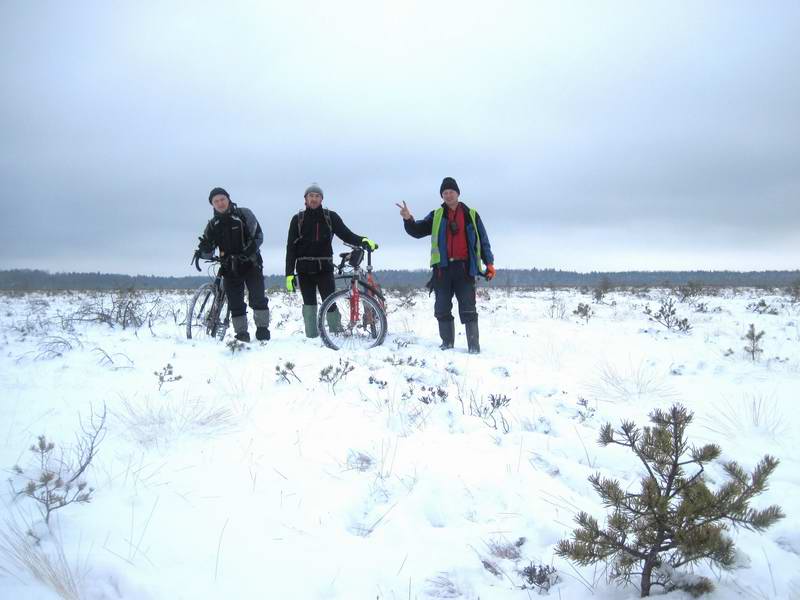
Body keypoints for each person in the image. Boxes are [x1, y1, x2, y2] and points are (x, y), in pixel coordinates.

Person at [397, 177, 495, 353]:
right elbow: (417, 231)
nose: (448, 195)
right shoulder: (436, 215)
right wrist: (408, 219)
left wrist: (489, 263)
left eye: (451, 192)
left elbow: (484, 240)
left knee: (468, 308)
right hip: (442, 270)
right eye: (445, 193)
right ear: (442, 196)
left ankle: (473, 347)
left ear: (458, 193)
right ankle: (447, 344)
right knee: (441, 307)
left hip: (465, 269)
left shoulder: (470, 215)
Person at [285, 183, 378, 338]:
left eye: (317, 196)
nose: (314, 199)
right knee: (309, 305)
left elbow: (347, 235)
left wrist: (363, 240)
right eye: (311, 196)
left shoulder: (330, 217)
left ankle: (336, 334)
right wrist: (289, 274)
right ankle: (311, 337)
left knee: (330, 302)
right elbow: (290, 249)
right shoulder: (297, 219)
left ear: (322, 199)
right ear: (305, 199)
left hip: (324, 269)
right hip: (304, 270)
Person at [194, 187, 270, 342]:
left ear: (228, 199)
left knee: (258, 298)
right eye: (216, 201)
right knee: (235, 303)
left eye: (222, 199)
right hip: (229, 268)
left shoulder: (244, 214)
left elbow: (258, 236)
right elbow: (209, 249)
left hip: (251, 264)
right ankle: (241, 334)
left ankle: (262, 330)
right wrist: (203, 251)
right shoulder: (213, 224)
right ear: (212, 205)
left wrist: (247, 252)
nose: (220, 203)